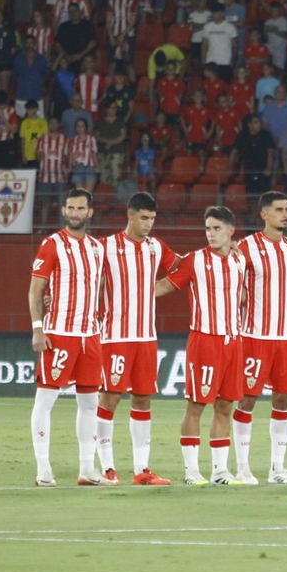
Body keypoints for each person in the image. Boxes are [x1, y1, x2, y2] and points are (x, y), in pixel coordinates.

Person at [154, 206, 250, 484]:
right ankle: (191, 471)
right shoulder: (194, 261)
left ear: (231, 231)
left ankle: (220, 471)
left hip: (234, 342)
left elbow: (240, 296)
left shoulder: (239, 261)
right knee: (196, 405)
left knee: (225, 406)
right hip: (205, 341)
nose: (211, 234)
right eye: (207, 228)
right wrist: (127, 290)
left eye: (217, 228)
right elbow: (163, 287)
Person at [94, 191, 180, 487]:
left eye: (153, 219)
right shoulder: (105, 247)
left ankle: (142, 469)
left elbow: (184, 268)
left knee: (143, 399)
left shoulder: (156, 247)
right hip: (115, 336)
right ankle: (106, 467)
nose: (148, 224)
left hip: (146, 337)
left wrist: (158, 288)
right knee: (111, 397)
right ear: (130, 215)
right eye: (144, 218)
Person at [27, 187, 111, 487]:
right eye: (71, 208)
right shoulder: (52, 245)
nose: (75, 214)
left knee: (89, 404)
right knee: (46, 400)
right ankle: (43, 468)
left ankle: (87, 469)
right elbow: (36, 290)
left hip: (90, 336)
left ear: (90, 212)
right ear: (64, 211)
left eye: (81, 209)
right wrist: (38, 327)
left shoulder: (97, 248)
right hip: (59, 334)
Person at [233, 192, 287, 485]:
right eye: (278, 210)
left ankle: (278, 468)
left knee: (283, 399)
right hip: (254, 336)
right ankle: (242, 468)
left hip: (286, 337)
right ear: (264, 214)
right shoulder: (247, 247)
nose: (285, 214)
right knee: (247, 400)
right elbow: (233, 283)